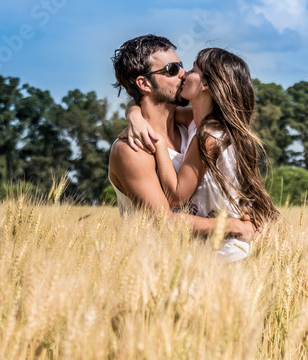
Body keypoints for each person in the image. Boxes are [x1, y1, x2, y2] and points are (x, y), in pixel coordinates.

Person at [123, 47, 280, 262]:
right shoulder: (197, 121)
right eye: (174, 69)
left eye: (193, 70)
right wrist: (134, 116)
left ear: (205, 84)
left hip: (224, 252)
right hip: (219, 249)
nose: (184, 74)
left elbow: (176, 197)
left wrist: (158, 143)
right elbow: (151, 108)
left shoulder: (208, 135)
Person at [107, 35, 259, 245]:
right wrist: (235, 227)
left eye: (181, 66)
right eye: (172, 70)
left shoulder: (195, 124)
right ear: (144, 83)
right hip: (154, 271)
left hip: (206, 267)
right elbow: (165, 222)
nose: (183, 74)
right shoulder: (132, 150)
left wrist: (133, 112)